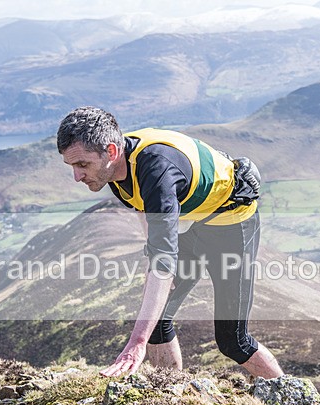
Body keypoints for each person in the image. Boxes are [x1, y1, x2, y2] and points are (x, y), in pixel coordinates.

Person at [56, 106, 284, 380]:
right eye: (72, 166)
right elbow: (145, 209)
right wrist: (156, 261)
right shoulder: (112, 167)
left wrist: (136, 345)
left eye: (82, 165)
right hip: (198, 223)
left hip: (232, 224)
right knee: (155, 321)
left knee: (233, 341)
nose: (77, 176)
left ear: (112, 152)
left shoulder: (156, 170)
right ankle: (170, 392)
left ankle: (297, 402)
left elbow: (161, 240)